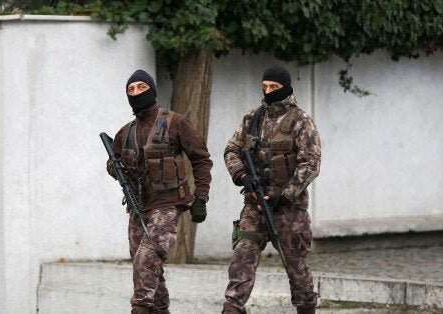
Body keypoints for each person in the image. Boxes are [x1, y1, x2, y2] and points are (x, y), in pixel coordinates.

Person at [106, 69, 213, 314]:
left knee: (147, 257)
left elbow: (201, 159)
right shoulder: (126, 132)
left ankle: (140, 309)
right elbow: (114, 163)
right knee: (150, 269)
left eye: (141, 88)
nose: (135, 93)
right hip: (137, 206)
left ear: (152, 90)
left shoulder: (176, 122)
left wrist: (202, 196)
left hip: (167, 204)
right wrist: (114, 167)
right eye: (130, 90)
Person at [222, 65, 321, 314]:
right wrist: (242, 176)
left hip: (289, 210)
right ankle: (232, 308)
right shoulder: (252, 118)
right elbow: (231, 150)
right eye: (264, 86)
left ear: (285, 88)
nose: (268, 91)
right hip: (254, 205)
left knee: (295, 267)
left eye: (274, 87)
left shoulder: (301, 120)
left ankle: (307, 307)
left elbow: (311, 163)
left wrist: (284, 194)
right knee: (242, 257)